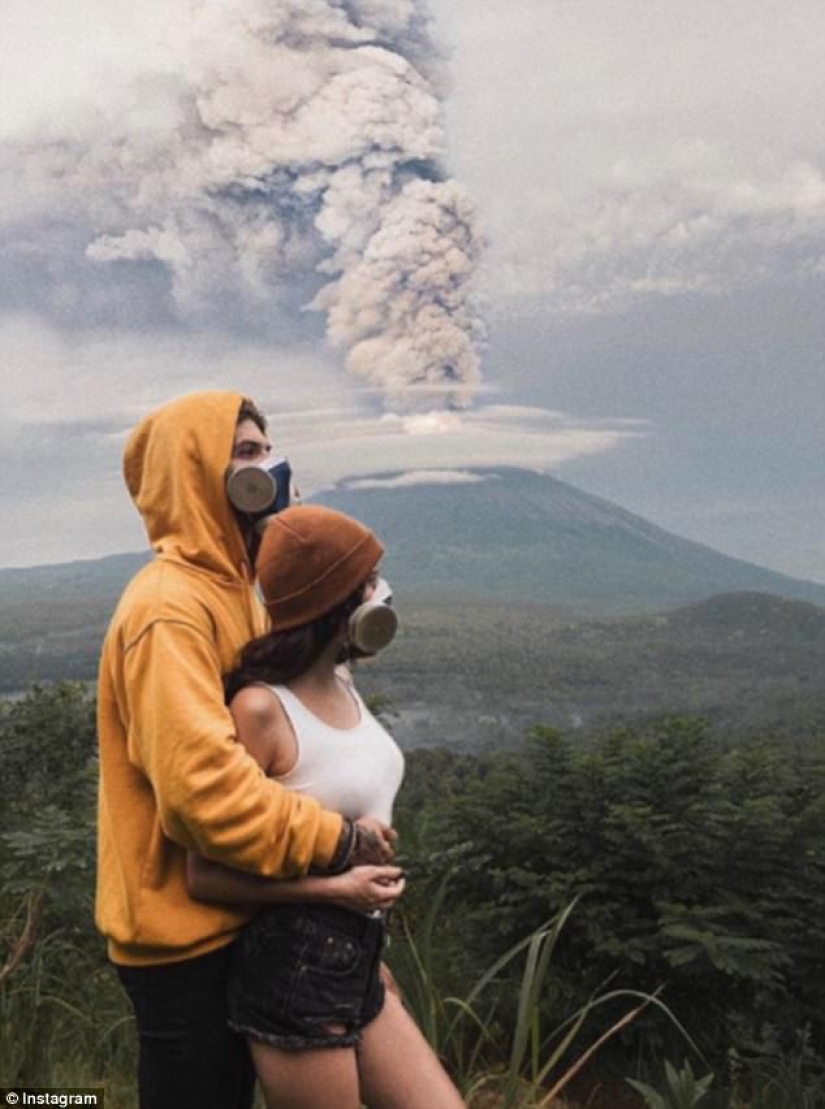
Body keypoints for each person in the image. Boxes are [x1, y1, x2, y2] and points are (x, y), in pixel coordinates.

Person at [96, 391, 393, 1109]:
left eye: (268, 448)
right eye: (249, 454)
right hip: (184, 939)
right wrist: (341, 840)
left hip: (254, 912)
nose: (271, 466)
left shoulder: (239, 588)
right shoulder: (168, 609)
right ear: (197, 471)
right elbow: (205, 796)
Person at [186, 504, 466, 1109]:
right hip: (295, 966)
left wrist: (368, 952)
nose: (382, 593)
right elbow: (203, 873)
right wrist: (337, 892)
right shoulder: (261, 710)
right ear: (339, 604)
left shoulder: (344, 684)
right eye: (369, 582)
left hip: (357, 959)